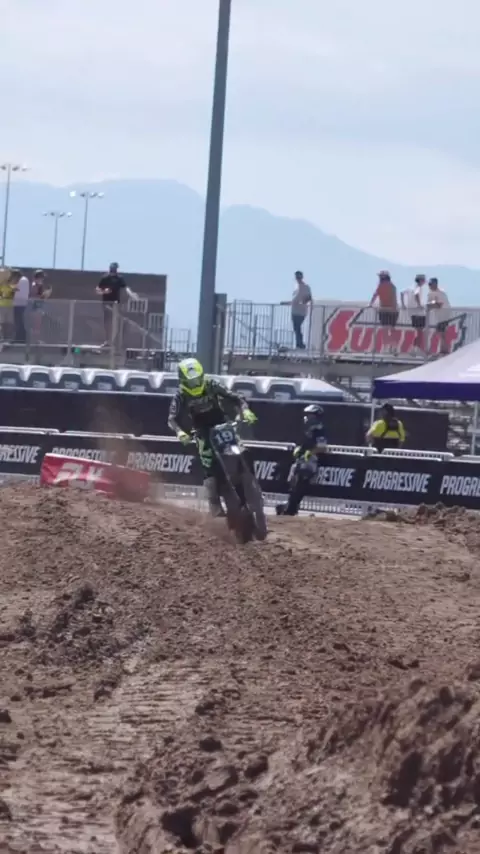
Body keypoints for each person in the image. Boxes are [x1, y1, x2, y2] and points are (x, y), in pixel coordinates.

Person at [168, 358, 257, 516]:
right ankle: (214, 505)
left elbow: (236, 397)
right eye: (191, 382)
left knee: (242, 451)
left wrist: (245, 410)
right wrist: (180, 432)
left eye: (197, 380)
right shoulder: (180, 396)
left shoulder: (211, 385)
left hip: (221, 423)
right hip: (201, 430)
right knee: (208, 463)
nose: (195, 384)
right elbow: (172, 419)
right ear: (183, 380)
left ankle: (251, 489)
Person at [276, 404, 328, 516]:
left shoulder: (319, 430)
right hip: (301, 460)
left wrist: (310, 453)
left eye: (309, 415)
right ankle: (289, 506)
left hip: (310, 461)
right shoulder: (308, 430)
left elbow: (322, 447)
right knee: (293, 482)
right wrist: (299, 450)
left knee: (300, 484)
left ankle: (291, 508)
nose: (307, 417)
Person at [96, 262, 138, 346]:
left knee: (115, 321)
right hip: (107, 303)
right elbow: (97, 289)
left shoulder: (119, 278)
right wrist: (104, 291)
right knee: (107, 322)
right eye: (113, 269)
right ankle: (108, 340)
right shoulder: (105, 278)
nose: (114, 271)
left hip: (116, 303)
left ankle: (113, 340)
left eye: (115, 269)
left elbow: (126, 287)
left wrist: (131, 294)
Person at [282, 271, 312, 349]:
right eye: (297, 277)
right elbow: (294, 300)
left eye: (299, 277)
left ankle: (300, 344)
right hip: (295, 311)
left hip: (301, 311)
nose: (298, 278)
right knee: (296, 328)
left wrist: (302, 302)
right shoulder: (296, 287)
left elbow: (309, 297)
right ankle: (299, 344)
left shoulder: (306, 287)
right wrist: (286, 303)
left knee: (297, 327)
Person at [370, 271, 398, 354]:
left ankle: (388, 347)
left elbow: (375, 295)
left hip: (385, 310)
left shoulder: (382, 286)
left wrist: (370, 304)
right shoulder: (392, 286)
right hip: (391, 310)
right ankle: (393, 347)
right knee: (391, 329)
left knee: (386, 329)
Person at [401, 274, 426, 352]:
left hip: (411, 313)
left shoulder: (410, 287)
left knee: (419, 332)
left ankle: (415, 348)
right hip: (418, 312)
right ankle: (415, 349)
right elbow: (416, 294)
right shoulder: (418, 287)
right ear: (421, 280)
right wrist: (419, 305)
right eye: (423, 280)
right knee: (420, 332)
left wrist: (403, 304)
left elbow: (401, 293)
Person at [426, 277, 450, 355]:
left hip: (443, 315)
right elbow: (429, 303)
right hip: (437, 317)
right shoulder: (430, 293)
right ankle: (443, 349)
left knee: (440, 333)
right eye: (429, 284)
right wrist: (430, 305)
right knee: (440, 333)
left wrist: (431, 306)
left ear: (435, 284)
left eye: (431, 284)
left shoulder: (441, 293)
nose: (430, 286)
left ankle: (443, 350)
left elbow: (439, 305)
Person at [30, 269, 52, 343]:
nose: (42, 279)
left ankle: (36, 340)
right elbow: (35, 296)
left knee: (38, 325)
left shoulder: (39, 285)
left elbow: (40, 297)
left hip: (38, 306)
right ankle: (34, 340)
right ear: (38, 277)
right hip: (35, 307)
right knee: (35, 324)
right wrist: (44, 294)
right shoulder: (35, 285)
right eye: (41, 277)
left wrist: (46, 294)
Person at [11, 269, 29, 344]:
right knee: (21, 322)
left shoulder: (22, 280)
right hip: (22, 304)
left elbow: (15, 289)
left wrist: (11, 287)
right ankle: (21, 338)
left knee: (19, 322)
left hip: (19, 304)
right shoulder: (25, 279)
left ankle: (19, 338)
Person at [0, 267, 16, 342]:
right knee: (2, 323)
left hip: (10, 305)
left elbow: (13, 294)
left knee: (9, 323)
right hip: (2, 305)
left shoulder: (12, 285)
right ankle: (2, 337)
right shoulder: (1, 285)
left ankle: (7, 338)